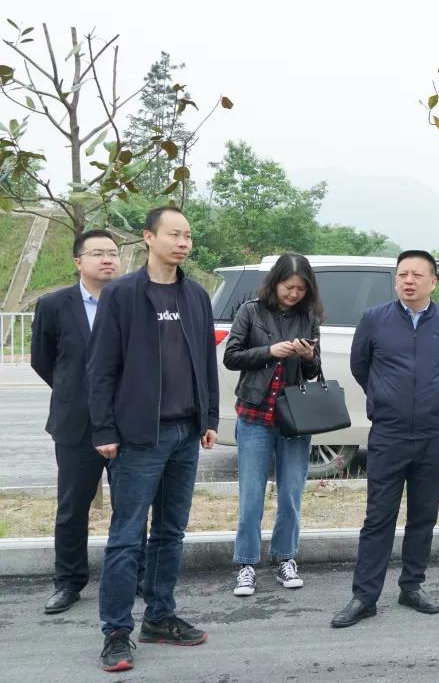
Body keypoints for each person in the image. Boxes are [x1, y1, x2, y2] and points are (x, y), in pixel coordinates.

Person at [88, 206, 219, 672]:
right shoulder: (122, 294)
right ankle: (116, 632)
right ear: (148, 237)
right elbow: (101, 367)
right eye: (174, 234)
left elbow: (205, 360)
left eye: (188, 236)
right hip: (139, 436)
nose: (183, 243)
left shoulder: (195, 295)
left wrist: (209, 416)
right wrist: (104, 428)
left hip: (186, 432)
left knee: (170, 532)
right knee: (127, 536)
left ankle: (160, 616)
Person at [331, 250, 439, 628]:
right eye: (402, 274)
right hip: (388, 434)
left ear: (433, 282)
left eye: (417, 275)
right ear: (395, 280)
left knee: (423, 516)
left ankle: (412, 586)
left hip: (432, 435)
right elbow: (360, 366)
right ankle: (365, 596)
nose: (409, 281)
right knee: (378, 518)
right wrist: (384, 396)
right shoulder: (374, 319)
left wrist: (437, 398)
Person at [31, 230, 120, 614]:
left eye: (113, 253)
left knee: (131, 507)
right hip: (75, 424)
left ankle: (131, 575)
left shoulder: (131, 302)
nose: (107, 259)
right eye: (98, 253)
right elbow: (42, 360)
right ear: (78, 261)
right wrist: (74, 392)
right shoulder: (54, 305)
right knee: (72, 508)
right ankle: (68, 581)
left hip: (126, 423)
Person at [224, 253, 322, 596]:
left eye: (301, 289)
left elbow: (313, 372)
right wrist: (270, 351)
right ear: (275, 282)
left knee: (291, 493)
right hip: (255, 415)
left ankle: (285, 558)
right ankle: (246, 564)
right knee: (251, 495)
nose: (294, 294)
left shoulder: (308, 318)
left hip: (294, 419)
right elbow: (231, 357)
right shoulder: (250, 311)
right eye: (288, 286)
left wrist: (309, 356)